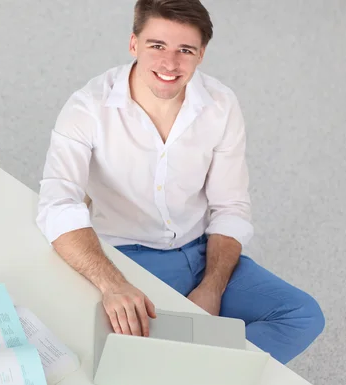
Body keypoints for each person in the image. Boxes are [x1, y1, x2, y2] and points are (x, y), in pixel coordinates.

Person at [36, 0, 324, 365]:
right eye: (157, 46)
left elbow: (230, 207)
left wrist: (212, 287)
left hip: (203, 254)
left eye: (184, 50)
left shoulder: (221, 105)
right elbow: (58, 206)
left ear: (201, 54)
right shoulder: (87, 108)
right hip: (125, 261)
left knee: (302, 316)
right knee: (103, 357)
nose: (169, 64)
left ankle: (185, 369)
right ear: (133, 44)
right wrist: (114, 285)